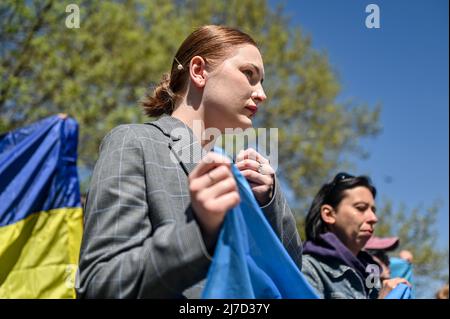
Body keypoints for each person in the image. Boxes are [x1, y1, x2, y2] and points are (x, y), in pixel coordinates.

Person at [76, 25, 302, 298]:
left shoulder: (245, 180)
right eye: (249, 74)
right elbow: (101, 284)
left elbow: (291, 279)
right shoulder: (132, 143)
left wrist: (268, 203)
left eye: (262, 81)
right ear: (198, 71)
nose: (262, 94)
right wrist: (199, 232)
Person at [301, 172, 410, 299]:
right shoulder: (308, 269)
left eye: (373, 210)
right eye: (361, 208)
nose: (373, 218)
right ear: (329, 215)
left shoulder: (372, 274)